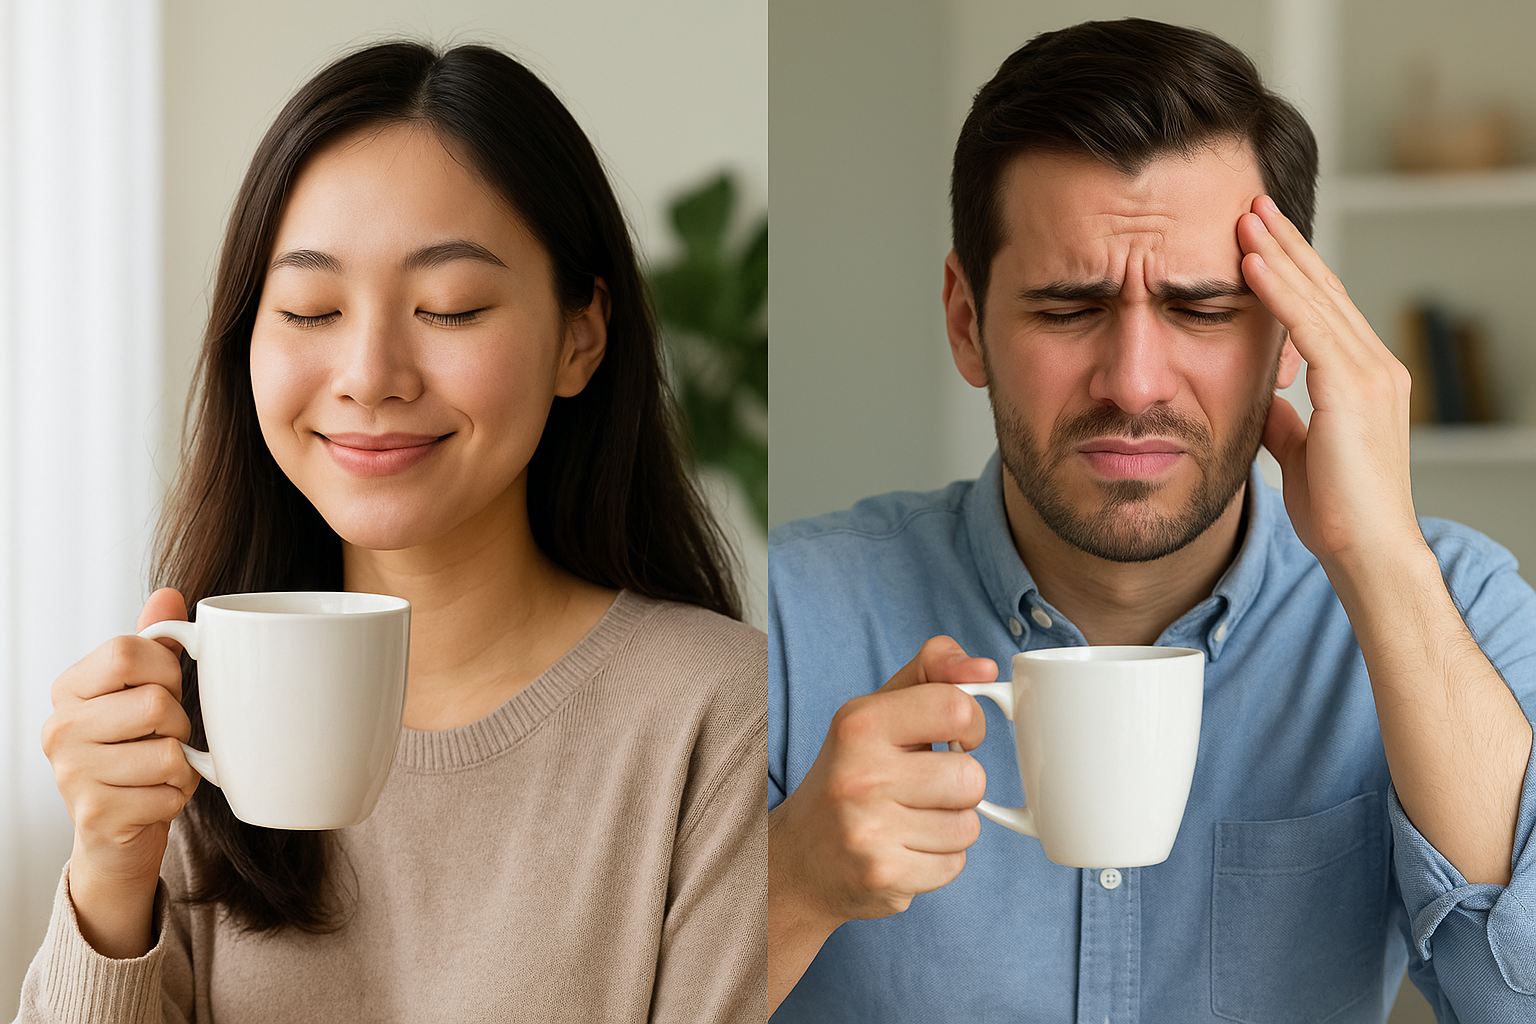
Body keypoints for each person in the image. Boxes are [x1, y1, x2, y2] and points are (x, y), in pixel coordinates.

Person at [767, 18, 1536, 1023]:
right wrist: (791, 882)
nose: (1134, 383)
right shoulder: (777, 619)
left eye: (1204, 311)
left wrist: (1381, 559)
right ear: (967, 322)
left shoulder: (1456, 606)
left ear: (1295, 335)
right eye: (1066, 308)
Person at [16, 41, 765, 1024]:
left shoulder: (721, 717)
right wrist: (110, 878)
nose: (371, 374)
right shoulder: (189, 721)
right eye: (311, 308)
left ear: (581, 336)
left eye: (449, 307)